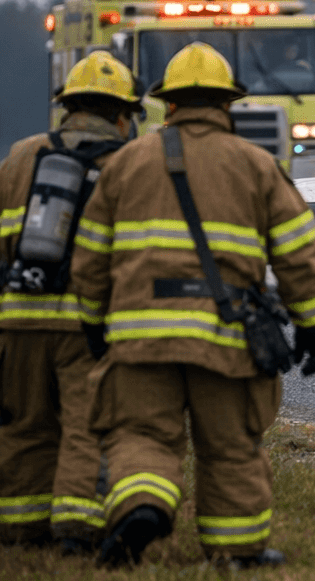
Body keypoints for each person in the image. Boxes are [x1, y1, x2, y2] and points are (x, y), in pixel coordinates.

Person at [71, 42, 315, 567]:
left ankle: (141, 507)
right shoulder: (256, 165)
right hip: (226, 339)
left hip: (139, 340)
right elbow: (300, 254)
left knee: (141, 435)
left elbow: (90, 257)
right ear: (226, 104)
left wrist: (96, 324)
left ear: (169, 104)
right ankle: (237, 551)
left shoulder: (125, 164)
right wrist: (312, 327)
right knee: (230, 447)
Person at [1, 52, 140, 553]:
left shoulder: (20, 156)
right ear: (122, 114)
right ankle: (76, 532)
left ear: (66, 107)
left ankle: (19, 528)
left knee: (23, 426)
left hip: (18, 321)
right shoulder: (129, 165)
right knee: (86, 427)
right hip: (87, 324)